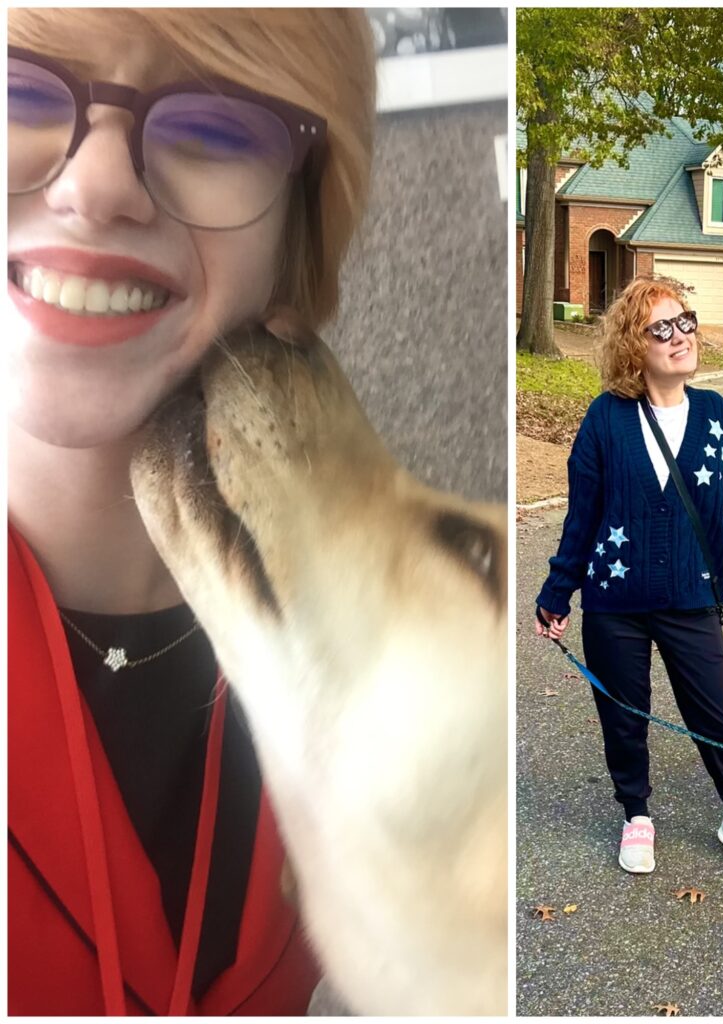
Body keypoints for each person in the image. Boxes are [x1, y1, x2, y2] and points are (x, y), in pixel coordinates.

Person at [8, 8, 375, 1014]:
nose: (95, 185)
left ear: (294, 259)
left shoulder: (356, 660)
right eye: (12, 88)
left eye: (213, 128)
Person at [535, 275, 723, 879]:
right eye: (659, 328)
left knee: (718, 715)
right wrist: (557, 595)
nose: (678, 335)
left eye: (684, 320)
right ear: (634, 347)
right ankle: (636, 813)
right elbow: (581, 519)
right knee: (624, 716)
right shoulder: (606, 420)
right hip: (615, 605)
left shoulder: (715, 414)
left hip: (692, 598)